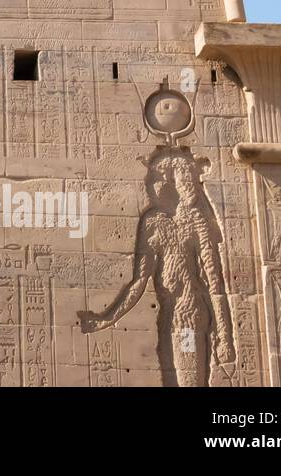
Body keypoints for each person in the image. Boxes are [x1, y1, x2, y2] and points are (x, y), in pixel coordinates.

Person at [79, 147, 234, 386]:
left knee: (189, 381)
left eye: (156, 179)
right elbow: (139, 282)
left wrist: (224, 336)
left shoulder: (196, 221)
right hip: (168, 315)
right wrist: (107, 319)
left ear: (176, 182)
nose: (150, 184)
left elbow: (215, 284)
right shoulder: (152, 222)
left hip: (189, 317)